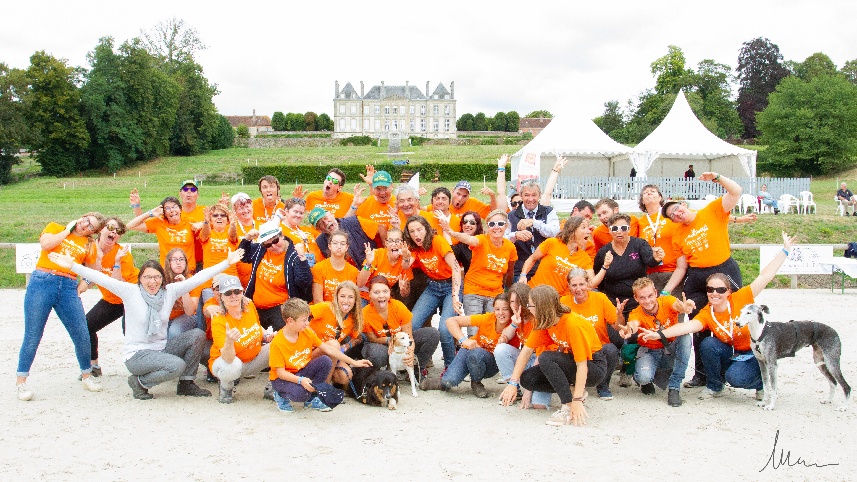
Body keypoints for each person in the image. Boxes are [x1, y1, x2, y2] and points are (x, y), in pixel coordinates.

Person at [51, 247, 244, 400]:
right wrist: (73, 266)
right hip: (137, 354)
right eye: (147, 277)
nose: (152, 282)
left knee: (197, 335)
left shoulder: (169, 292)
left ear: (162, 278)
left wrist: (226, 263)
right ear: (140, 279)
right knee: (177, 365)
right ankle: (140, 383)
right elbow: (100, 278)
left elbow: (199, 278)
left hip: (161, 348)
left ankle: (186, 383)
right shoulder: (130, 292)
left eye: (157, 277)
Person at [640, 232, 796, 402]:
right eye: (710, 289)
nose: (715, 293)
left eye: (720, 290)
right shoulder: (708, 312)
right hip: (732, 351)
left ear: (728, 291)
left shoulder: (742, 297)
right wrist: (659, 334)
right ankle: (715, 386)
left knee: (736, 377)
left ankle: (760, 384)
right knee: (708, 344)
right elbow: (686, 326)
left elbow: (765, 276)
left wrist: (785, 251)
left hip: (752, 351)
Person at [660, 171, 743, 388]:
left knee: (733, 317)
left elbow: (736, 192)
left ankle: (736, 367)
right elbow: (681, 267)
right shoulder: (678, 235)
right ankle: (701, 374)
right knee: (698, 325)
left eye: (676, 209)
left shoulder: (712, 210)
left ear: (684, 204)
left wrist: (718, 177)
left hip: (724, 269)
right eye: (672, 215)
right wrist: (666, 291)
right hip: (697, 275)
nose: (677, 214)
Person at [16, 213, 106, 401]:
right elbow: (46, 244)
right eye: (86, 220)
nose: (86, 225)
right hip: (43, 280)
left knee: (81, 332)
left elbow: (91, 270)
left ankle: (87, 375)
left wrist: (83, 285)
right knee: (33, 333)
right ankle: (21, 381)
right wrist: (67, 230)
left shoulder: (89, 245)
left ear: (94, 232)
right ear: (81, 217)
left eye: (91, 226)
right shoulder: (56, 227)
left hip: (68, 285)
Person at [499, 285, 608, 427]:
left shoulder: (573, 324)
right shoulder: (544, 322)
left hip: (593, 366)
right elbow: (526, 352)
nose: (528, 308)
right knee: (527, 379)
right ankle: (572, 390)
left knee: (546, 357)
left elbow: (582, 365)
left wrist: (576, 400)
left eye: (530, 305)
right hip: (571, 363)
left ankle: (567, 406)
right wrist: (513, 383)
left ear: (541, 307)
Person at [268, 298, 372, 413]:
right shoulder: (277, 342)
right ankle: (280, 395)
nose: (307, 323)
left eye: (307, 319)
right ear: (290, 321)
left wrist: (354, 362)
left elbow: (328, 349)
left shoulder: (306, 332)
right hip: (282, 379)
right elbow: (281, 373)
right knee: (302, 394)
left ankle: (312, 398)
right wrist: (300, 380)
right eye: (304, 320)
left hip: (300, 371)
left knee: (325, 361)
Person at [420, 293, 514, 398]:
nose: (500, 313)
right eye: (497, 309)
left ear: (511, 310)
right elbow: (451, 321)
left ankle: (476, 382)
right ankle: (440, 381)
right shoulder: (487, 318)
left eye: (505, 309)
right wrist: (463, 340)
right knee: (449, 381)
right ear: (493, 309)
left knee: (476, 353)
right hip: (471, 350)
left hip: (490, 362)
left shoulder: (514, 325)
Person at [620, 277, 695, 407]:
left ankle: (674, 387)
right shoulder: (635, 313)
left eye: (650, 296)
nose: (647, 301)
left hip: (670, 348)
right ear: (636, 298)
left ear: (655, 293)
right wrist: (628, 330)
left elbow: (678, 306)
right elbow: (633, 324)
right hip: (650, 351)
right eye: (642, 298)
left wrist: (685, 308)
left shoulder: (667, 301)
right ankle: (644, 379)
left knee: (685, 337)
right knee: (643, 377)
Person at [81, 217, 138, 378]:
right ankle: (94, 366)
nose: (114, 232)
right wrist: (98, 258)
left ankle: (142, 366)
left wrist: (117, 262)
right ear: (101, 229)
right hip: (111, 299)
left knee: (130, 332)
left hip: (131, 296)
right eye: (111, 227)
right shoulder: (90, 249)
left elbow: (117, 285)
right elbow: (89, 281)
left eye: (118, 231)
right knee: (86, 326)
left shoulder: (122, 254)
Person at [404, 215, 464, 367]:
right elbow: (406, 265)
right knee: (411, 324)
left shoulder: (437, 241)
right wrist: (405, 257)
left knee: (445, 328)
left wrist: (455, 295)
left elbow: (456, 268)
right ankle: (418, 363)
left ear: (427, 229)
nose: (416, 234)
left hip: (450, 285)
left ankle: (450, 367)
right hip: (433, 287)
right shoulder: (414, 247)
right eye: (412, 231)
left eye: (419, 229)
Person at [559, 268, 625, 401]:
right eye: (574, 285)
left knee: (611, 349)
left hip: (597, 349)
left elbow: (618, 326)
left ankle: (603, 385)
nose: (578, 289)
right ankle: (573, 383)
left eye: (581, 284)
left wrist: (619, 315)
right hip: (574, 349)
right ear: (568, 286)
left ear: (588, 283)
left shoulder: (600, 298)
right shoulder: (563, 302)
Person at [208, 275, 273, 403]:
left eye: (237, 291)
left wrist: (266, 336)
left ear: (242, 292)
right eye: (228, 293)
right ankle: (226, 388)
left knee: (280, 343)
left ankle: (273, 387)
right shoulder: (218, 319)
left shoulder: (249, 306)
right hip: (228, 363)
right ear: (221, 296)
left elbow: (256, 326)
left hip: (253, 359)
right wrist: (229, 341)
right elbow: (228, 358)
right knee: (232, 365)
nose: (233, 296)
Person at [239, 220, 313, 330]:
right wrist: (247, 239)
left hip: (280, 311)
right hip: (256, 307)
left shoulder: (294, 254)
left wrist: (302, 258)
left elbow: (304, 282)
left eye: (275, 241)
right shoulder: (261, 249)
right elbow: (242, 256)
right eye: (268, 244)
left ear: (282, 235)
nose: (273, 246)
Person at [441, 209, 516, 316]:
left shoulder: (511, 247)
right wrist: (451, 232)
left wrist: (506, 292)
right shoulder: (481, 240)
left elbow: (510, 272)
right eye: (492, 224)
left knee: (492, 325)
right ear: (488, 226)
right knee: (474, 325)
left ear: (506, 226)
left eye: (500, 223)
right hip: (474, 291)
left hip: (495, 294)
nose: (496, 227)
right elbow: (468, 239)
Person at [361, 276, 440, 377]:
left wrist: (411, 351)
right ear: (369, 295)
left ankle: (416, 369)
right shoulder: (365, 313)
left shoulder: (399, 307)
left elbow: (409, 337)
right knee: (378, 355)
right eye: (376, 292)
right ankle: (380, 376)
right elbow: (373, 339)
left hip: (402, 341)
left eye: (385, 291)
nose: (381, 296)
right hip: (380, 344)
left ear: (390, 292)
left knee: (432, 334)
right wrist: (389, 340)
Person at [593, 213, 664, 316]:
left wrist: (656, 258)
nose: (619, 232)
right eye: (615, 228)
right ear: (609, 231)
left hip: (639, 301)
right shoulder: (603, 252)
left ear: (629, 229)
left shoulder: (640, 244)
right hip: (613, 302)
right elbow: (598, 276)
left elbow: (650, 262)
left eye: (623, 228)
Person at [494, 283, 552, 409]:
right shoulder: (516, 316)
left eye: (518, 301)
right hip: (526, 358)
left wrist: (529, 389)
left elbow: (541, 356)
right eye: (512, 301)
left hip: (540, 362)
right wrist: (514, 324)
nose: (514, 305)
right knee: (501, 349)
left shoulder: (537, 318)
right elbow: (504, 337)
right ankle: (514, 389)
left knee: (539, 405)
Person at [518, 216, 603, 297]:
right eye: (583, 227)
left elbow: (591, 283)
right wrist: (523, 275)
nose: (588, 231)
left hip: (556, 300)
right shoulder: (552, 243)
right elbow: (532, 259)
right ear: (572, 230)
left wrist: (605, 267)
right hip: (533, 292)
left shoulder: (585, 258)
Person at [127, 196, 205, 272]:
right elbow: (130, 225)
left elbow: (210, 230)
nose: (172, 210)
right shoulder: (159, 223)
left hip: (188, 271)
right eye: (167, 208)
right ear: (164, 213)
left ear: (180, 209)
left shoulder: (190, 222)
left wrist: (203, 224)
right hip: (167, 272)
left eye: (174, 207)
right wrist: (150, 213)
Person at [309, 281, 365, 385]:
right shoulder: (325, 307)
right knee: (334, 344)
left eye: (350, 297)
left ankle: (322, 381)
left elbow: (358, 338)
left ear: (356, 300)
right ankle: (324, 387)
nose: (346, 301)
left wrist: (346, 347)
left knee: (345, 376)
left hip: (331, 353)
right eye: (342, 296)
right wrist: (311, 334)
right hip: (309, 352)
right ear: (336, 297)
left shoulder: (352, 319)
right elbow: (298, 314)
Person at [506, 180, 560, 279]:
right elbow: (503, 239)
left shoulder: (548, 212)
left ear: (539, 195)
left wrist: (535, 223)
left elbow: (555, 232)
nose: (530, 199)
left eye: (534, 195)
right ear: (521, 196)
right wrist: (515, 235)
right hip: (519, 268)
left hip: (544, 267)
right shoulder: (511, 215)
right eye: (526, 195)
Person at [198, 202, 239, 328]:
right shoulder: (207, 232)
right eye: (215, 215)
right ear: (211, 219)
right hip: (209, 283)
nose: (219, 217)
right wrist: (206, 221)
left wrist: (233, 224)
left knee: (232, 313)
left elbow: (233, 236)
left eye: (223, 215)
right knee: (213, 315)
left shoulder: (230, 231)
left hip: (230, 281)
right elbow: (204, 235)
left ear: (227, 219)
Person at [310, 200, 380, 269]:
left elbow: (380, 229)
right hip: (351, 273)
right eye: (321, 224)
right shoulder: (320, 243)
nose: (326, 223)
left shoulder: (355, 221)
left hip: (374, 265)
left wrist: (384, 251)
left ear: (331, 214)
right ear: (319, 230)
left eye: (326, 218)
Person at [356, 228, 413, 305]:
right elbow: (360, 284)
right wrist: (368, 264)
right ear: (386, 243)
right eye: (390, 241)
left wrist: (403, 289)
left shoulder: (405, 261)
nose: (394, 244)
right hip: (365, 295)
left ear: (403, 244)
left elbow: (405, 294)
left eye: (398, 241)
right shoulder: (377, 254)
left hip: (383, 297)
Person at [163, 248, 202, 339]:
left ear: (186, 263)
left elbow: (190, 312)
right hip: (167, 316)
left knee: (174, 331)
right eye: (174, 259)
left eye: (181, 259)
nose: (178, 262)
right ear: (169, 262)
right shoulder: (162, 279)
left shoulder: (193, 280)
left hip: (187, 316)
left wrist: (184, 286)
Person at [311, 230, 359, 303]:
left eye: (342, 244)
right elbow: (318, 301)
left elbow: (350, 300)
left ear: (347, 247)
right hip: (323, 308)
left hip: (344, 308)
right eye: (335, 243)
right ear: (329, 246)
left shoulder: (353, 271)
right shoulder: (319, 268)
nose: (339, 247)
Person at [276, 197, 323, 267]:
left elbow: (326, 238)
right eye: (295, 212)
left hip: (319, 267)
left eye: (301, 213)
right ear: (286, 211)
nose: (298, 215)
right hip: (299, 268)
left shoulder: (306, 229)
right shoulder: (279, 230)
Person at [228, 192, 257, 287]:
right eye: (240, 208)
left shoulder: (262, 225)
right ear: (235, 211)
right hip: (238, 282)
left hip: (260, 281)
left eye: (247, 206)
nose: (245, 210)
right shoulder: (232, 228)